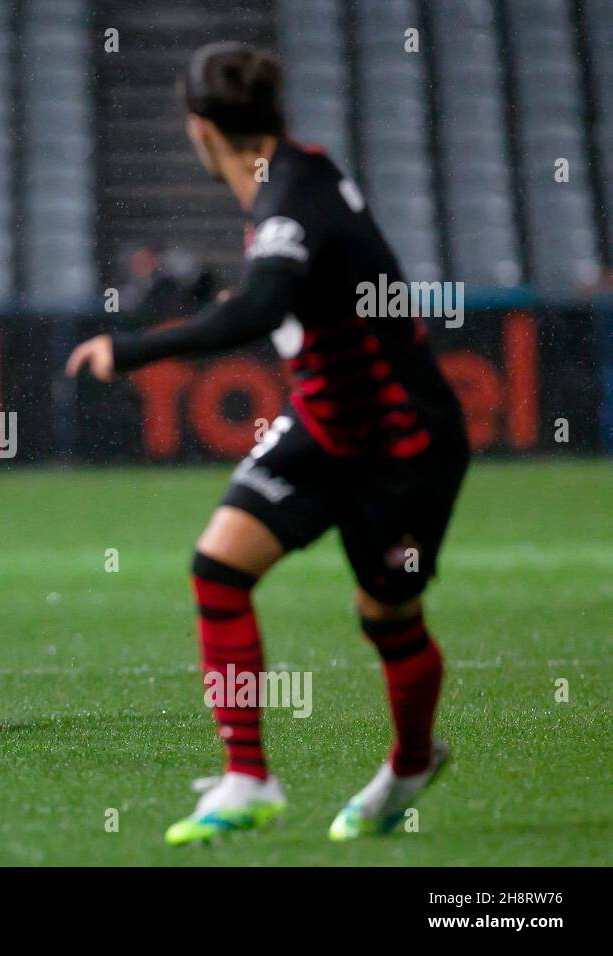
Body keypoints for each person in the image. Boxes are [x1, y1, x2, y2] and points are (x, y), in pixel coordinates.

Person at [66, 43, 468, 844]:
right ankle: (248, 776)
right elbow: (287, 298)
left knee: (386, 614)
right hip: (324, 424)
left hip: (403, 445)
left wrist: (132, 348)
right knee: (218, 568)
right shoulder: (294, 175)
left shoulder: (290, 197)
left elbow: (260, 308)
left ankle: (412, 761)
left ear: (201, 128)